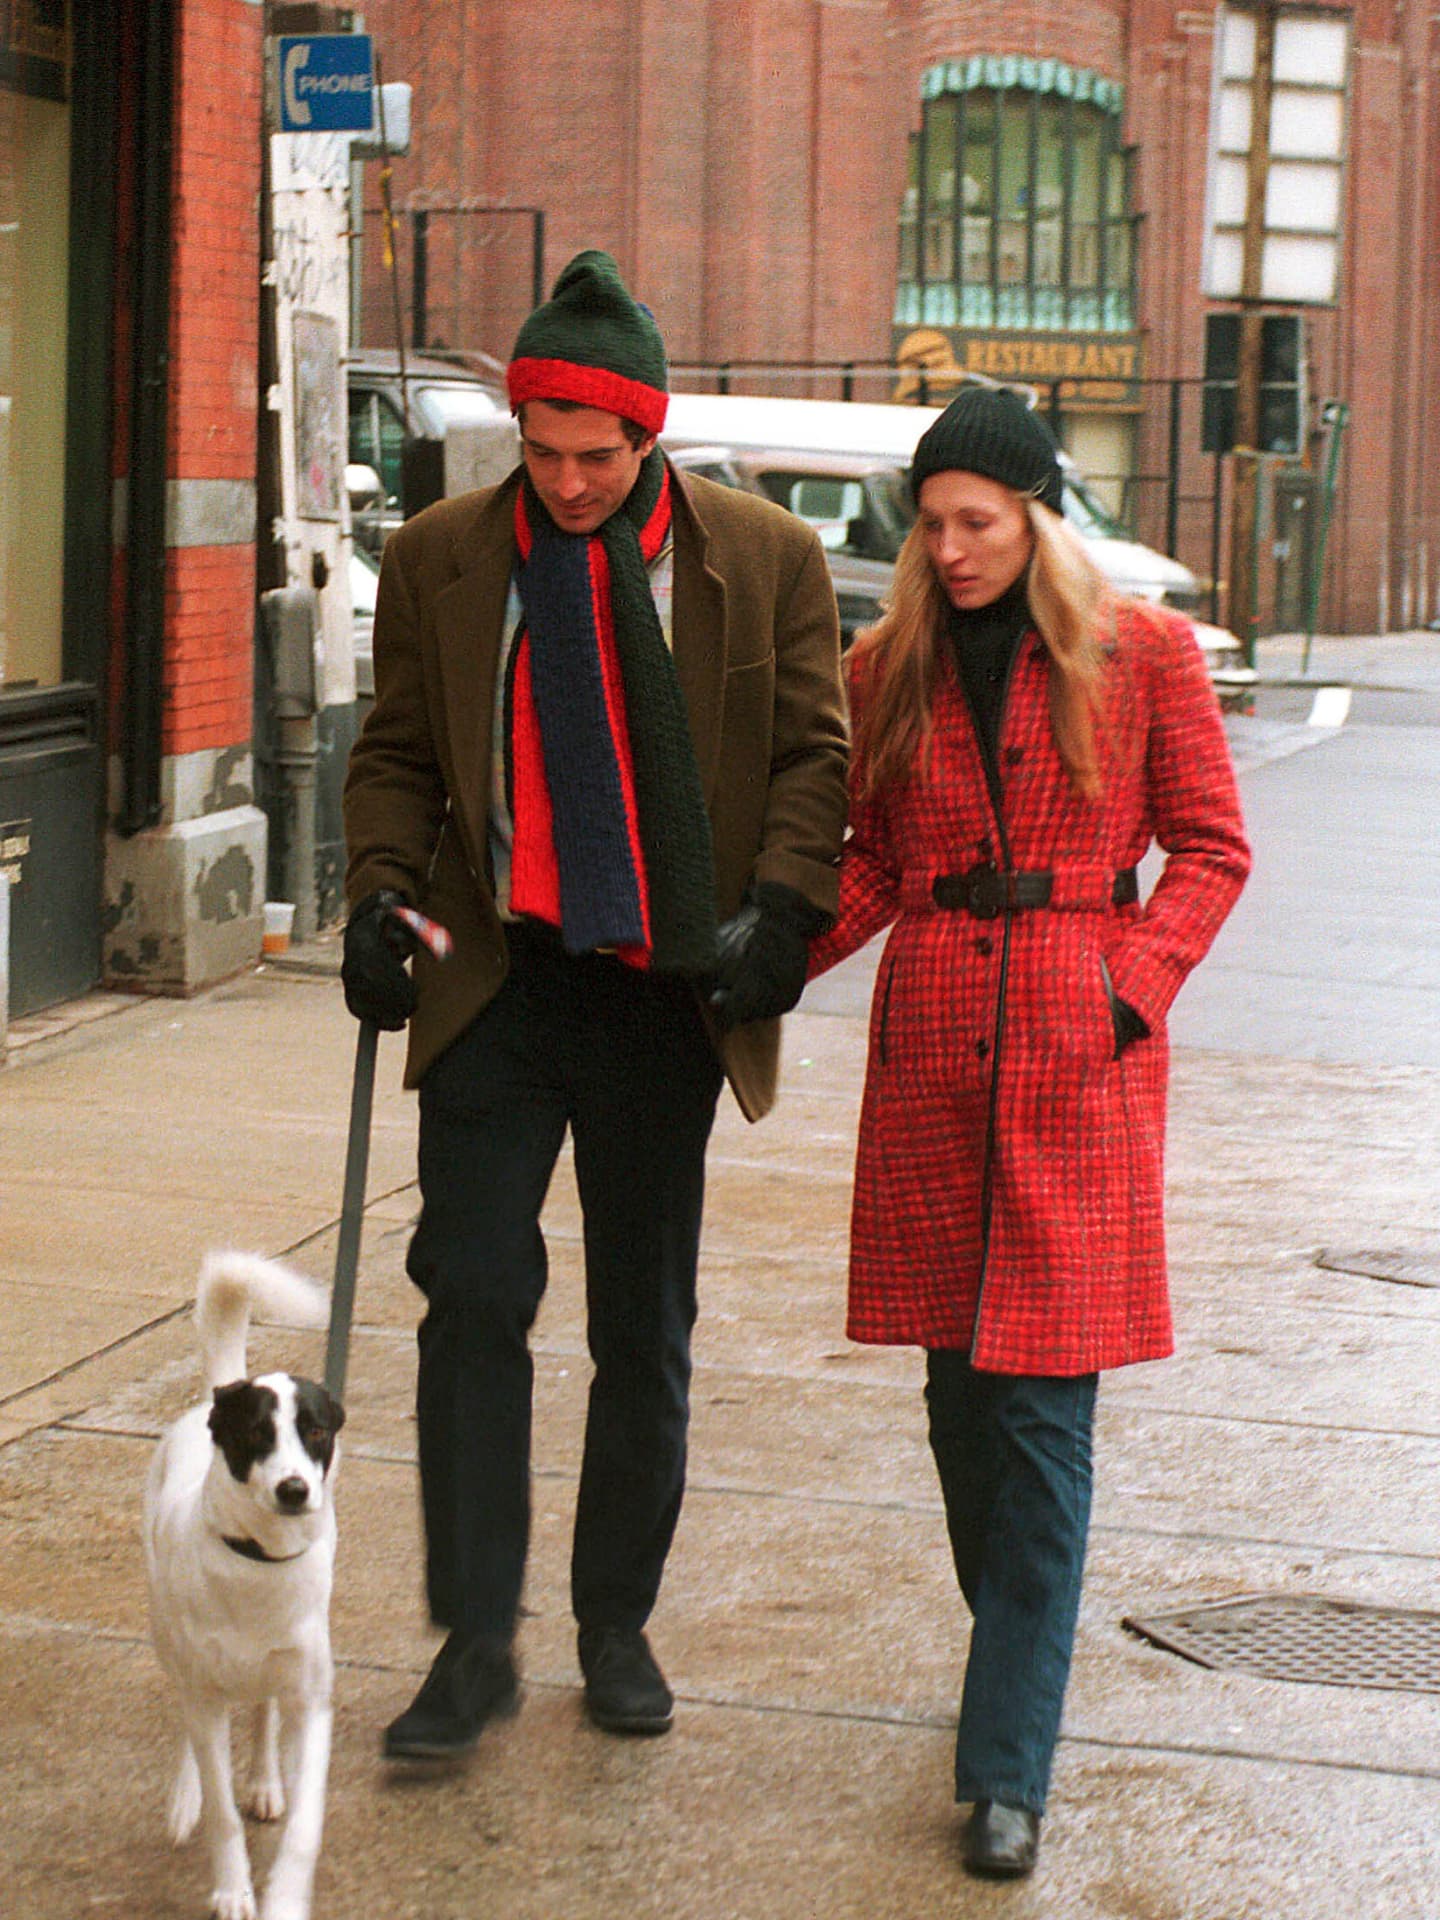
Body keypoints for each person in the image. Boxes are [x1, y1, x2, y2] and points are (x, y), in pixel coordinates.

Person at [341, 250, 848, 1761]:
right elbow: (401, 761)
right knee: (474, 1294)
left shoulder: (761, 558)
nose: (563, 485)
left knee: (646, 1323)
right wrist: (385, 904)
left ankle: (614, 1620)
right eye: (539, 452)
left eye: (595, 457)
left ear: (650, 438)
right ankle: (474, 1644)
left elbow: (818, 757)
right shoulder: (442, 554)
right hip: (497, 976)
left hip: (658, 991)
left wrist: (781, 909)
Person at [806, 386, 1250, 1879]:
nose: (948, 549)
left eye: (974, 522)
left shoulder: (1145, 657)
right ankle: (1019, 1664)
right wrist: (757, 963)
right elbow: (874, 861)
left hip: (1077, 1053)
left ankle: (1005, 1769)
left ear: (1036, 516)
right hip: (934, 1049)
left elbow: (1211, 850)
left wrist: (1129, 990)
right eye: (930, 525)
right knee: (960, 1417)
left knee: (1045, 1425)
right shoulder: (889, 665)